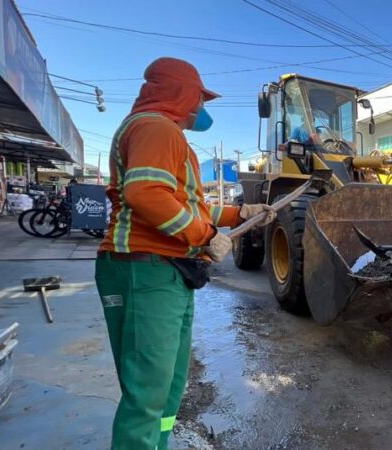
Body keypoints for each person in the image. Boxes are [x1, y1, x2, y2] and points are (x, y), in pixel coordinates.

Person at [94, 57, 275, 450]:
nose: (202, 109)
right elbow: (146, 195)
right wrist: (205, 235)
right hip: (144, 269)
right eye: (200, 99)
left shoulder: (166, 135)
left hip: (167, 273)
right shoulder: (155, 128)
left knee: (169, 385)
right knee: (147, 391)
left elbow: (186, 204)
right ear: (182, 94)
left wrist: (238, 213)